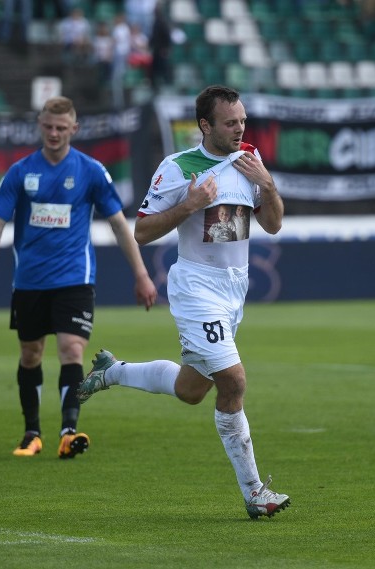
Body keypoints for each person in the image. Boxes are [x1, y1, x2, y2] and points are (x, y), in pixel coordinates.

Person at [77, 85, 291, 519]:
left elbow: (272, 225)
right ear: (205, 125)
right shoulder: (177, 168)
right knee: (233, 382)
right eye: (231, 123)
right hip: (197, 287)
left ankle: (113, 372)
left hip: (235, 290)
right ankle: (255, 493)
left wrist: (266, 185)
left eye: (243, 121)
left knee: (192, 390)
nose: (240, 129)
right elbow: (142, 231)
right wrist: (188, 205)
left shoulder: (249, 160)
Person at [0, 96, 157, 459]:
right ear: (40, 125)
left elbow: (119, 225)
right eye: (48, 127)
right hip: (29, 281)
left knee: (72, 349)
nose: (54, 133)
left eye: (61, 128)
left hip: (75, 278)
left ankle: (69, 432)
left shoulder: (90, 171)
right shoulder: (21, 172)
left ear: (74, 129)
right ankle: (31, 433)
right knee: (30, 354)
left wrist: (142, 274)